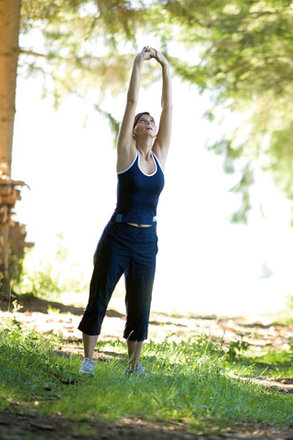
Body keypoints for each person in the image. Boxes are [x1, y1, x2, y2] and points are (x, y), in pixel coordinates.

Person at [77, 47, 172, 376]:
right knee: (100, 294)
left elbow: (168, 106)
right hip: (118, 235)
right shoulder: (126, 154)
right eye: (142, 121)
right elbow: (131, 103)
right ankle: (88, 360)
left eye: (151, 121)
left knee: (140, 304)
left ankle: (135, 365)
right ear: (133, 131)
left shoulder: (159, 155)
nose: (148, 121)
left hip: (147, 240)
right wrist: (136, 64)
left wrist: (165, 67)